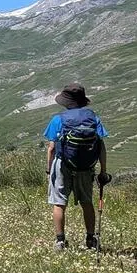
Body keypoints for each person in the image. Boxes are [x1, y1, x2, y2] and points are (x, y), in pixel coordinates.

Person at [44, 83, 110, 251]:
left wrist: (49, 169)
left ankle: (60, 241)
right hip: (86, 167)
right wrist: (103, 170)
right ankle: (90, 239)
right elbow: (101, 146)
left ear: (66, 102)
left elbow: (51, 148)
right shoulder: (93, 118)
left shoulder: (58, 119)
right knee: (87, 203)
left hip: (62, 164)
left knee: (59, 203)